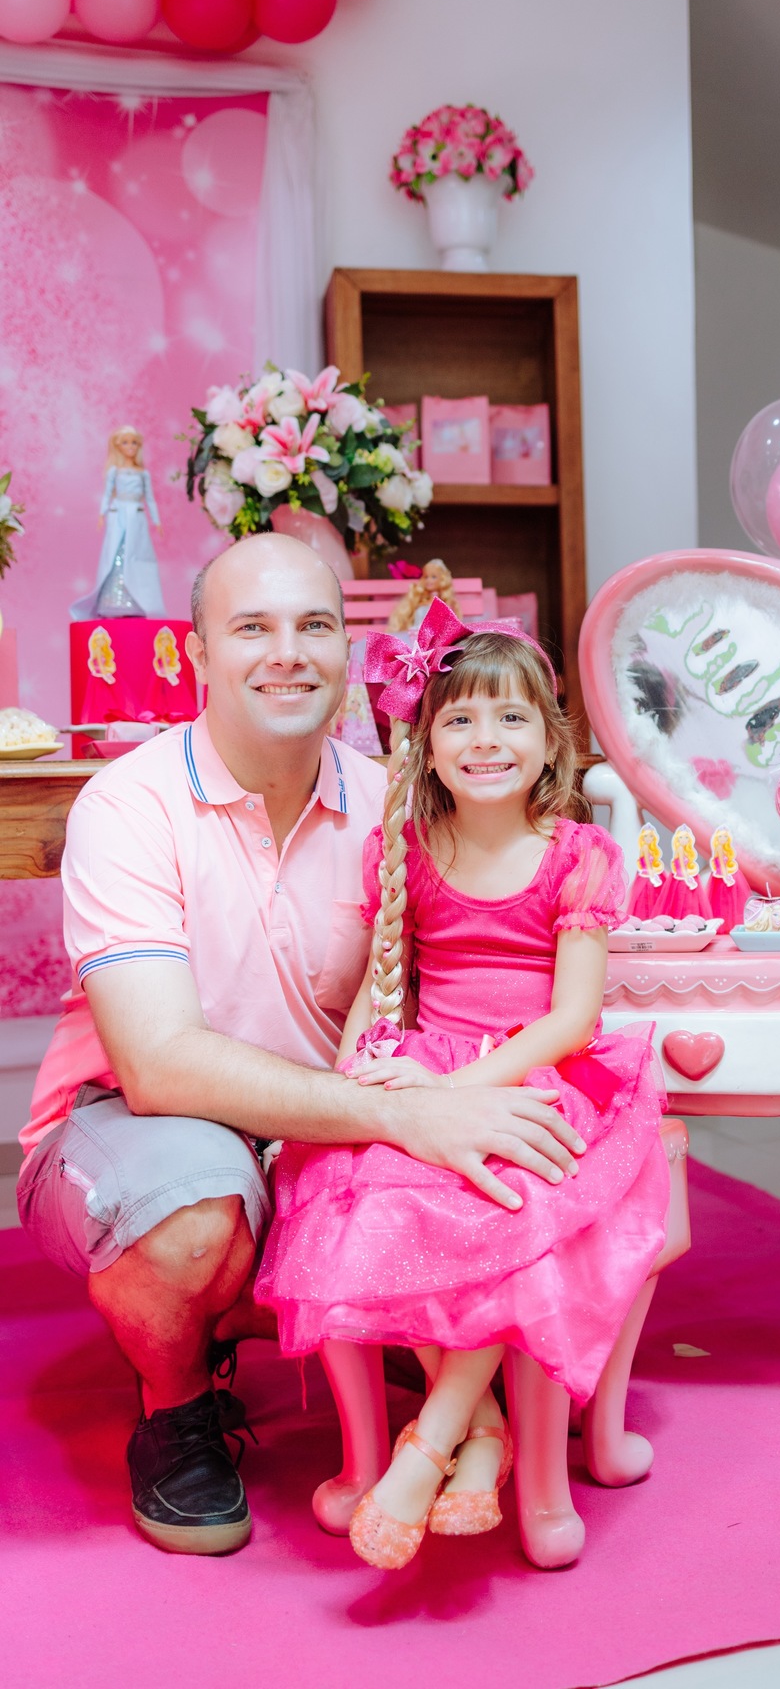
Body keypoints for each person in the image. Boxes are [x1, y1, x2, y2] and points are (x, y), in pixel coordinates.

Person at [17, 534, 586, 1556]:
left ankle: (393, 1342)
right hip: (144, 1125)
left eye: (314, 626)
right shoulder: (132, 804)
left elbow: (449, 996)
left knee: (504, 1163)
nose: (288, 653)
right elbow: (160, 1065)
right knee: (196, 1215)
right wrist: (400, 1115)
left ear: (345, 652)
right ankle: (180, 1400)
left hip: (331, 1120)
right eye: (253, 629)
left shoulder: (394, 805)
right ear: (197, 657)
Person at [255, 597, 670, 1572]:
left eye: (512, 717)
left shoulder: (579, 858)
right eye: (460, 719)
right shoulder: (402, 852)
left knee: (501, 1204)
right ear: (426, 744)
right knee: (352, 1191)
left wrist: (464, 1093)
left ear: (550, 739)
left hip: (536, 1072)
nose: (487, 739)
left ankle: (432, 1439)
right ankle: (482, 1432)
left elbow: (571, 1020)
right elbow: (375, 989)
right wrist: (364, 1079)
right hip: (424, 1061)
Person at [70, 426, 165, 620]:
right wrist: (102, 514)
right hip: (119, 515)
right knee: (115, 555)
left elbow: (150, 498)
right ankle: (114, 600)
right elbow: (107, 494)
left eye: (133, 442)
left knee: (137, 555)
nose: (130, 447)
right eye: (125, 442)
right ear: (118, 446)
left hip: (137, 517)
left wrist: (156, 520)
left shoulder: (142, 473)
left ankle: (139, 599)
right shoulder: (115, 471)